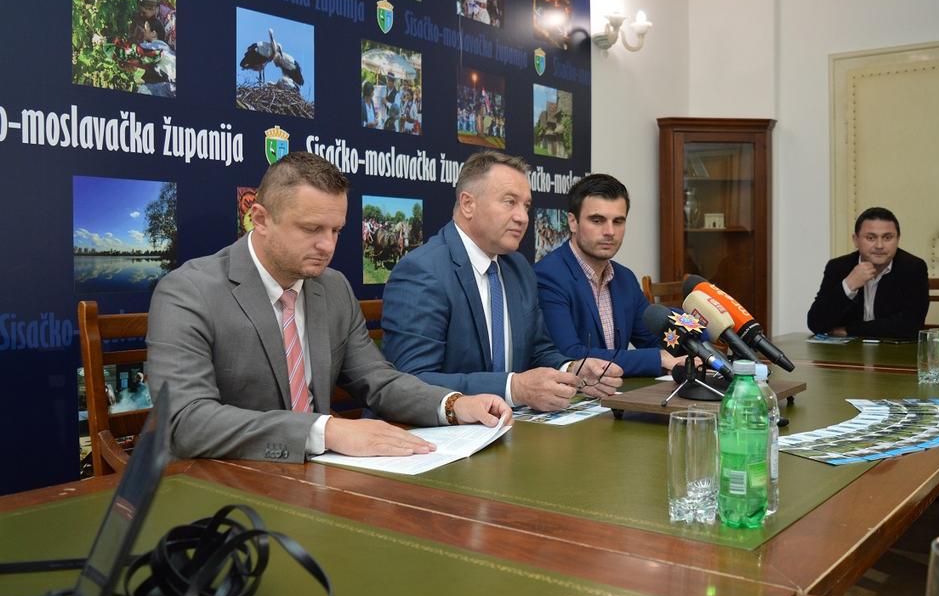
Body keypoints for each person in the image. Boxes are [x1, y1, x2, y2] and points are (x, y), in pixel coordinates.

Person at [146, 152, 510, 462]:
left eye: (336, 230)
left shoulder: (332, 287)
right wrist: (326, 431)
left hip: (317, 476)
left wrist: (453, 405)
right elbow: (185, 421)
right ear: (260, 219)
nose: (328, 246)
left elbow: (378, 380)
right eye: (311, 229)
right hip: (223, 481)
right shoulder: (189, 292)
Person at [381, 151, 623, 412]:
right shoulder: (423, 270)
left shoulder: (518, 267)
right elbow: (411, 382)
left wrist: (572, 369)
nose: (523, 217)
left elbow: (539, 351)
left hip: (507, 425)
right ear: (468, 204)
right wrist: (512, 388)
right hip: (433, 431)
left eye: (526, 206)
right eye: (510, 202)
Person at [534, 174, 687, 377]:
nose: (609, 231)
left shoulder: (625, 278)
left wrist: (690, 342)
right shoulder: (548, 276)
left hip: (615, 392)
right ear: (572, 222)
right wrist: (658, 358)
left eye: (618, 221)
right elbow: (570, 354)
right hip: (572, 394)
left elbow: (651, 339)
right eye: (597, 220)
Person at [807, 206, 928, 340]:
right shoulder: (838, 267)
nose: (879, 245)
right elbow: (816, 323)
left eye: (887, 238)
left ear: (898, 239)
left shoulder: (913, 268)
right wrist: (848, 286)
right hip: (848, 351)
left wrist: (850, 330)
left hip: (892, 349)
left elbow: (911, 326)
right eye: (870, 238)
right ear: (856, 240)